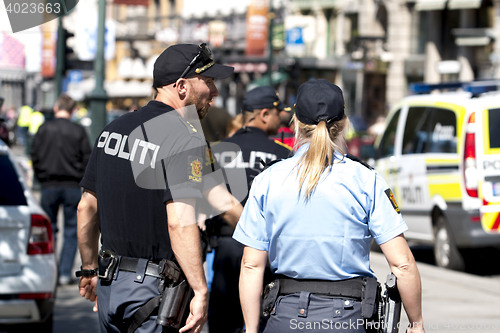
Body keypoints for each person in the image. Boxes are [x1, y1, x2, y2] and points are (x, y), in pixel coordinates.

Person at [233, 79, 425, 333]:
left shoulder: (267, 180)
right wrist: (417, 324)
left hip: (285, 315)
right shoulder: (366, 179)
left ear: (296, 124)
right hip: (348, 318)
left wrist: (250, 328)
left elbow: (251, 265)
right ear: (344, 124)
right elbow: (402, 264)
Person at [76, 43, 243, 333]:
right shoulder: (183, 135)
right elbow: (179, 221)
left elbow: (86, 207)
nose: (214, 94)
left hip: (109, 287)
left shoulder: (114, 129)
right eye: (209, 82)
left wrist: (90, 269)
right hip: (152, 292)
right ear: (181, 86)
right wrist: (200, 289)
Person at [208, 86, 292, 333]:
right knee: (262, 324)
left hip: (225, 250)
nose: (280, 118)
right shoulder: (283, 154)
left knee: (223, 325)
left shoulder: (216, 150)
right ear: (264, 114)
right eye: (277, 113)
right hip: (266, 254)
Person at [31, 94, 91, 285]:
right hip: (72, 186)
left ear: (56, 108)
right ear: (73, 111)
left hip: (48, 186)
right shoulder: (78, 130)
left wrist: (41, 177)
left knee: (49, 230)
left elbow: (35, 155)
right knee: (71, 230)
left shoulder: (44, 128)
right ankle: (65, 273)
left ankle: (49, 272)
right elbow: (87, 159)